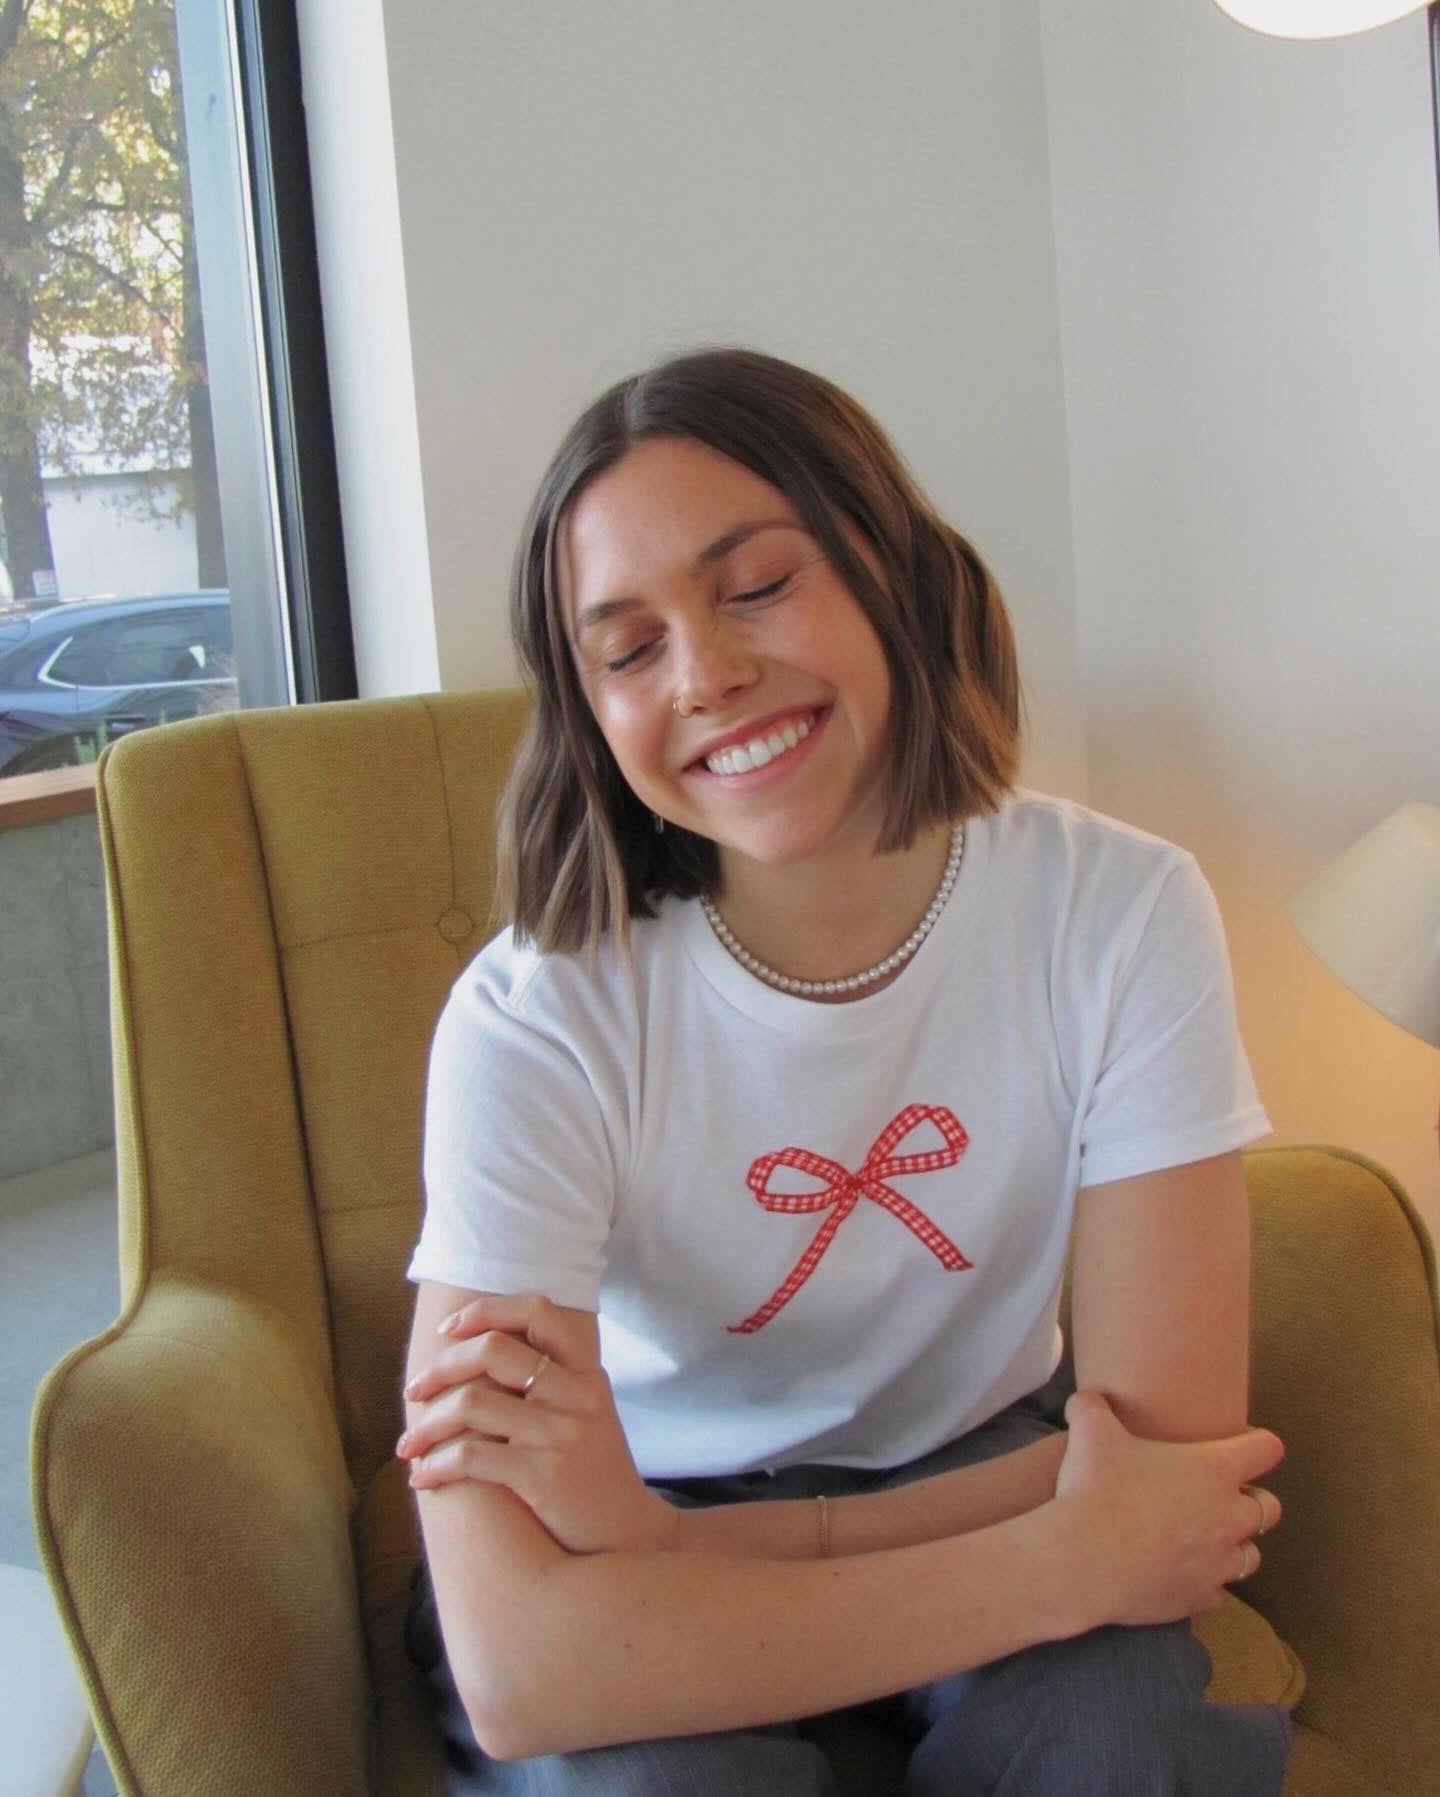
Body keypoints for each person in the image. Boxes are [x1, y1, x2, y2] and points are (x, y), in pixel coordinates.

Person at [397, 346, 1294, 1795]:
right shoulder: (534, 1018)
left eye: (758, 584)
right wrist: (1066, 1547)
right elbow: (525, 1666)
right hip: (675, 1481)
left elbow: (1174, 1473)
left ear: (896, 571)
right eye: (627, 650)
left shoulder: (1119, 911)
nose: (707, 673)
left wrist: (656, 1555)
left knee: (1126, 1739)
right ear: (590, 715)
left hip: (895, 1467)